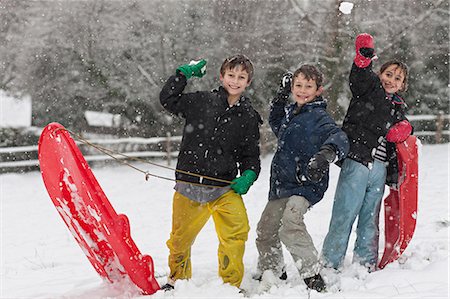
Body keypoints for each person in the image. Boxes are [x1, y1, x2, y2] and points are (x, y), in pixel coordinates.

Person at [159, 54, 262, 291]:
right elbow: (168, 99)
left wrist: (248, 175)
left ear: (248, 82)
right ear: (221, 76)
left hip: (224, 188)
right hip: (189, 183)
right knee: (179, 239)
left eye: (241, 77)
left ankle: (230, 284)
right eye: (231, 75)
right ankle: (178, 280)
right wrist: (182, 75)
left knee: (236, 233)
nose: (235, 81)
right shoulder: (201, 101)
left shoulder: (248, 116)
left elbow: (251, 156)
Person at [321, 33, 413, 272]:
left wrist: (405, 127)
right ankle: (331, 264)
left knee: (370, 218)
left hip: (380, 168)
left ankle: (365, 263)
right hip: (358, 161)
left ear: (403, 85)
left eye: (398, 78)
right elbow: (359, 76)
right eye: (388, 74)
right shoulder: (369, 88)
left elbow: (403, 128)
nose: (391, 80)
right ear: (380, 74)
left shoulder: (397, 107)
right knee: (345, 213)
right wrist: (363, 57)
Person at [255, 65, 349, 292]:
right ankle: (273, 269)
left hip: (306, 183)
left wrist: (325, 155)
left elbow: (339, 137)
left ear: (319, 90)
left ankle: (311, 273)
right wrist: (280, 95)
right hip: (282, 183)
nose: (303, 90)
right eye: (298, 85)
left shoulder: (319, 117)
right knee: (265, 229)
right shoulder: (289, 114)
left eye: (309, 86)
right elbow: (275, 120)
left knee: (290, 222)